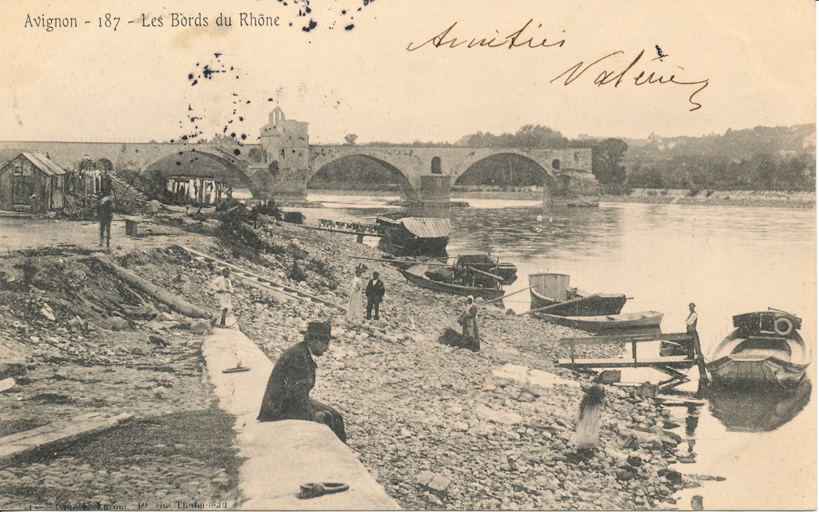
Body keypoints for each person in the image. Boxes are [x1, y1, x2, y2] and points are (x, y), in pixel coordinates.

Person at [257, 321, 346, 442]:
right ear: (315, 341)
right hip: (277, 408)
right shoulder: (299, 356)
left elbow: (298, 392)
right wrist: (311, 415)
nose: (327, 348)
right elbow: (296, 393)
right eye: (325, 343)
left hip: (286, 401)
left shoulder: (303, 351)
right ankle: (337, 456)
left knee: (335, 415)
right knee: (328, 417)